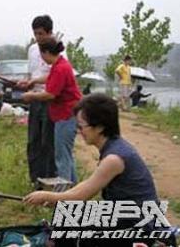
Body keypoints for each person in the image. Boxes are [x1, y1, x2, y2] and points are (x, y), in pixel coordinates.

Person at [23, 93, 161, 246]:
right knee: (66, 214)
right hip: (125, 215)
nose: (79, 131)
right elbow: (88, 185)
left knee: (70, 224)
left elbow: (81, 196)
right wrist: (57, 198)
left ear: (100, 127)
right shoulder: (113, 147)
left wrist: (47, 195)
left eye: (82, 126)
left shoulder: (114, 159)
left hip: (139, 226)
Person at [22, 37, 82, 182]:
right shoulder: (59, 64)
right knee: (66, 156)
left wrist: (31, 95)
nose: (42, 60)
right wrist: (34, 81)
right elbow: (49, 78)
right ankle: (74, 192)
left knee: (61, 157)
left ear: (46, 53)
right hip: (65, 116)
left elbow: (50, 94)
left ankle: (63, 197)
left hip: (66, 116)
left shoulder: (61, 68)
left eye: (41, 55)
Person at [17, 15, 56, 186]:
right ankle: (35, 180)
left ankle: (49, 180)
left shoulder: (58, 49)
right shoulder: (32, 50)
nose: (38, 38)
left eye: (41, 34)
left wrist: (34, 84)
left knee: (48, 141)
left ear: (49, 33)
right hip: (34, 99)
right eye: (35, 34)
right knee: (34, 140)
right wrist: (27, 83)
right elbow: (31, 72)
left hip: (49, 100)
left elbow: (58, 75)